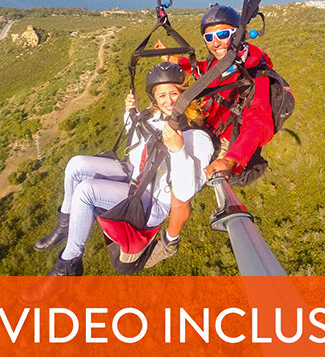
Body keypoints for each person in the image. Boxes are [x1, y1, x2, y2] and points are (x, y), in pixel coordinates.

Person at [33, 62, 214, 275]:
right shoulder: (155, 116)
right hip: (137, 176)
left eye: (174, 93)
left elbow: (185, 194)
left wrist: (178, 150)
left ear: (184, 94)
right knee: (76, 165)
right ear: (154, 98)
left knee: (85, 191)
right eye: (162, 95)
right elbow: (137, 144)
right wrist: (130, 113)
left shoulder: (198, 138)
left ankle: (69, 263)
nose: (169, 101)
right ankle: (65, 226)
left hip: (153, 202)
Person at [157, 4, 275, 184]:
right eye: (209, 37)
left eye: (223, 35)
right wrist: (170, 59)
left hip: (226, 142)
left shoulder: (254, 75)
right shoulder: (219, 64)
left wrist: (229, 159)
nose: (216, 43)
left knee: (184, 182)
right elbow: (202, 71)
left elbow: (259, 121)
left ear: (238, 35)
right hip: (208, 123)